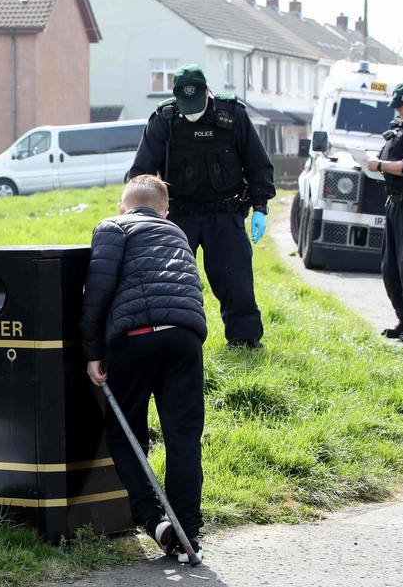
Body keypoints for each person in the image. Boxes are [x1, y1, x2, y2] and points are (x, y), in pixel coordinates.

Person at [80, 174, 207, 563]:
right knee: (183, 437)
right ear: (164, 210)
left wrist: (92, 351)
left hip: (136, 337)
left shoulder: (113, 227)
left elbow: (97, 294)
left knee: (124, 434)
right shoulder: (177, 233)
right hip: (185, 338)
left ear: (123, 205)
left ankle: (153, 520)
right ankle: (188, 530)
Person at [127, 64, 274, 349]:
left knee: (235, 280)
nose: (191, 111)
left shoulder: (232, 116)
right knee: (172, 282)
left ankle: (244, 340)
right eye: (186, 104)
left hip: (225, 213)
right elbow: (140, 173)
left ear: (209, 93)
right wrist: (139, 214)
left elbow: (257, 164)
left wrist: (260, 207)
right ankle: (174, 339)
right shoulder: (165, 119)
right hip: (178, 217)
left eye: (197, 103)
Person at [364, 82, 403, 343]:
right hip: (395, 203)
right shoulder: (401, 127)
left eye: (402, 104)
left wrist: (378, 164)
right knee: (391, 266)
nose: (398, 109)